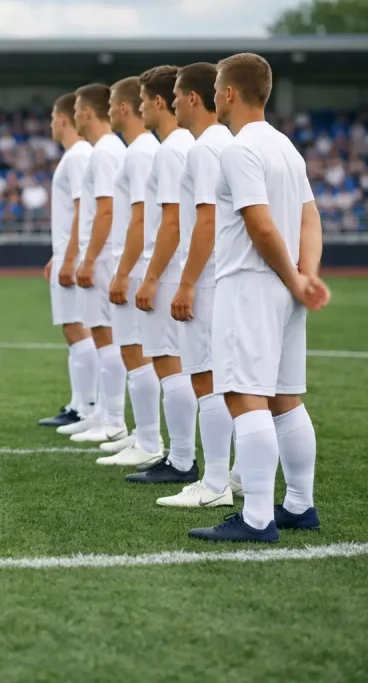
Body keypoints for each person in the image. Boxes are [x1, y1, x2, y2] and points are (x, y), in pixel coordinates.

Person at [190, 53, 329, 543]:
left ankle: (255, 519)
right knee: (285, 398)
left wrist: (295, 277)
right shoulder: (286, 147)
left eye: (216, 90)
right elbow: (310, 218)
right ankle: (298, 503)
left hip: (251, 283)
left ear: (228, 93)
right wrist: (304, 276)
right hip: (284, 287)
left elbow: (259, 223)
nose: (213, 98)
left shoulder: (239, 148)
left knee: (243, 395)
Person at [156, 62, 239, 507]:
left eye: (176, 95)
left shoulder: (206, 149)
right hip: (227, 276)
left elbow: (204, 220)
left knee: (206, 379)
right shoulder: (228, 142)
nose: (171, 103)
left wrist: (186, 284)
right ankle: (233, 475)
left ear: (192, 98)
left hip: (207, 280)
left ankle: (214, 484)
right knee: (229, 380)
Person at [124, 65, 199, 486]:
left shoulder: (171, 149)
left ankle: (183, 460)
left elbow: (170, 223)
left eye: (144, 102)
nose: (145, 109)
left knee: (170, 365)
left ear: (156, 101)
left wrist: (150, 278)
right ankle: (182, 455)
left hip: (171, 267)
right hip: (183, 265)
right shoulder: (187, 145)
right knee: (183, 366)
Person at [95, 76, 164, 466]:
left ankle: (150, 441)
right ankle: (143, 434)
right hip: (139, 260)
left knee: (136, 353)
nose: (110, 114)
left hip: (137, 262)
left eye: (113, 106)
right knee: (136, 352)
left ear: (123, 108)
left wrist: (123, 272)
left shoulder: (140, 153)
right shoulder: (141, 151)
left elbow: (140, 218)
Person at [58, 83, 128, 445]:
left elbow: (105, 210)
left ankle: (113, 418)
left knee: (106, 337)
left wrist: (86, 258)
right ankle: (103, 412)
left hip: (102, 255)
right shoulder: (110, 150)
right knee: (105, 336)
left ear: (85, 112)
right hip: (104, 253)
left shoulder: (103, 153)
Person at [38, 93, 97, 430]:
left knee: (79, 328)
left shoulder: (78, 157)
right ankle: (80, 403)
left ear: (63, 119)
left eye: (52, 117)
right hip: (69, 251)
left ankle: (88, 407)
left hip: (76, 254)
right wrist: (58, 254)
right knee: (74, 328)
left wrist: (70, 256)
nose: (50, 124)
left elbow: (82, 209)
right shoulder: (77, 156)